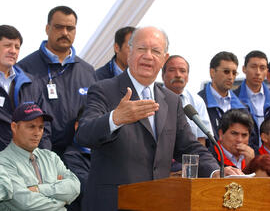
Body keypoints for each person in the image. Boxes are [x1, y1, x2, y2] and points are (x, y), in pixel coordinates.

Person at [76, 26, 242, 211]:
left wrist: (215, 171)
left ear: (164, 58)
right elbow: (84, 134)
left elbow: (188, 146)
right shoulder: (104, 90)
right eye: (141, 49)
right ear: (129, 52)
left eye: (155, 51)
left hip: (158, 201)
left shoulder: (171, 100)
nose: (148, 56)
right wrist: (115, 118)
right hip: (114, 203)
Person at [17, 6, 97, 157]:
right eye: (59, 27)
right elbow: (27, 121)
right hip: (40, 158)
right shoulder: (25, 69)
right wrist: (47, 162)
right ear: (47, 29)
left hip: (81, 158)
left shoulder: (88, 71)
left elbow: (93, 116)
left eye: (70, 28)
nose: (65, 33)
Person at [0, 102, 80, 210]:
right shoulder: (3, 161)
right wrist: (61, 201)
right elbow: (26, 204)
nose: (37, 133)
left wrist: (39, 189)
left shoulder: (51, 157)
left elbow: (75, 187)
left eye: (41, 127)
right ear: (14, 127)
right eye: (31, 127)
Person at [0, 24, 51, 151]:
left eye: (17, 47)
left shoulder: (31, 83)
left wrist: (45, 158)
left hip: (28, 161)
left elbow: (44, 126)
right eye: (7, 45)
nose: (13, 51)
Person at [198, 51, 247, 146]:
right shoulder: (198, 103)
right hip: (209, 159)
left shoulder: (243, 108)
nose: (231, 77)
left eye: (234, 73)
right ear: (212, 72)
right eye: (226, 72)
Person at [162, 55, 212, 146]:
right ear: (163, 75)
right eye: (172, 70)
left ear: (187, 76)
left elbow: (201, 139)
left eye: (182, 71)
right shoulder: (152, 97)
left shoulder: (197, 101)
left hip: (188, 157)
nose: (178, 75)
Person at [234, 50, 270, 150]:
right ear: (244, 69)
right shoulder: (233, 99)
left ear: (267, 71)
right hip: (242, 157)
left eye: (262, 68)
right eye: (253, 67)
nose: (258, 72)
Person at [62, 106, 91, 211]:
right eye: (90, 123)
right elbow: (90, 191)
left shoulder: (107, 152)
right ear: (76, 126)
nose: (95, 128)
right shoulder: (70, 158)